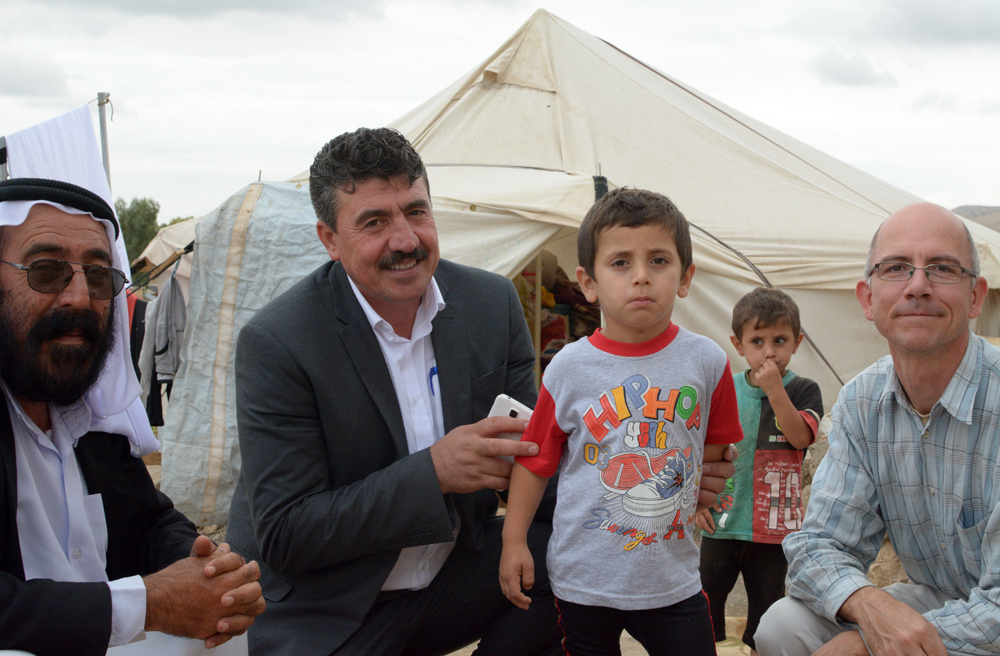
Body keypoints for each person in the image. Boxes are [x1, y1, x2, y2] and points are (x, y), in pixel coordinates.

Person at [225, 128, 737, 656]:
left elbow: (540, 463)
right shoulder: (278, 341)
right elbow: (286, 534)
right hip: (333, 609)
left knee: (563, 554)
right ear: (329, 238)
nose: (406, 239)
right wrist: (435, 472)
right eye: (374, 222)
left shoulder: (489, 304)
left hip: (452, 575)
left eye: (416, 212)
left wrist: (662, 471)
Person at [0, 178, 265, 656]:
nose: (80, 297)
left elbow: (148, 522)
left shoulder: (90, 417)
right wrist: (148, 604)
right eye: (46, 270)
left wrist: (207, 570)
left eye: (99, 277)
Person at [499, 187, 744, 655]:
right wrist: (514, 542)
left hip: (672, 580)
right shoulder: (567, 368)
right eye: (620, 263)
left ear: (685, 276)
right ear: (588, 283)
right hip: (583, 581)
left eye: (658, 260)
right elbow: (535, 462)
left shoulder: (708, 362)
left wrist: (705, 493)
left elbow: (717, 449)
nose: (641, 278)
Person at [754, 202, 999, 656]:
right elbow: (819, 546)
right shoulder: (863, 402)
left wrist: (862, 647)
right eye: (897, 268)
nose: (918, 286)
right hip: (939, 597)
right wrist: (867, 607)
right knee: (782, 626)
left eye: (942, 269)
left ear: (976, 297)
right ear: (868, 299)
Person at [695, 287, 823, 654]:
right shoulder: (726, 389)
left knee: (766, 618)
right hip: (722, 523)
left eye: (779, 340)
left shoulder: (803, 389)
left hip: (774, 530)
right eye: (757, 341)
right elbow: (701, 448)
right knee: (705, 608)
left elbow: (799, 438)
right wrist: (699, 503)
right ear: (738, 344)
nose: (769, 352)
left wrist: (774, 390)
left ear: (797, 342)